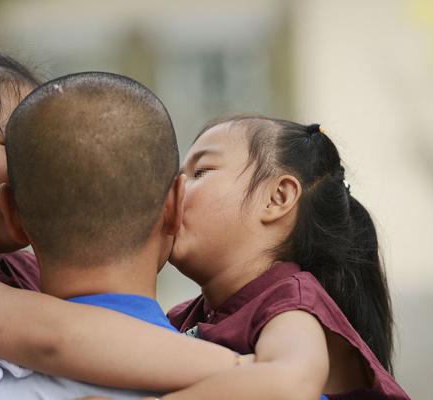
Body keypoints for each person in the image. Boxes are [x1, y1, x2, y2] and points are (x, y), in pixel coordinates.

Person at [0, 35, 241, 400]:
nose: (41, 164)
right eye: (16, 144)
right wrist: (246, 370)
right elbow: (55, 338)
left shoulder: (15, 267)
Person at [165, 116, 411, 399]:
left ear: (277, 198)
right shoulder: (188, 315)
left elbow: (290, 385)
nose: (175, 187)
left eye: (201, 172)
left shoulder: (292, 305)